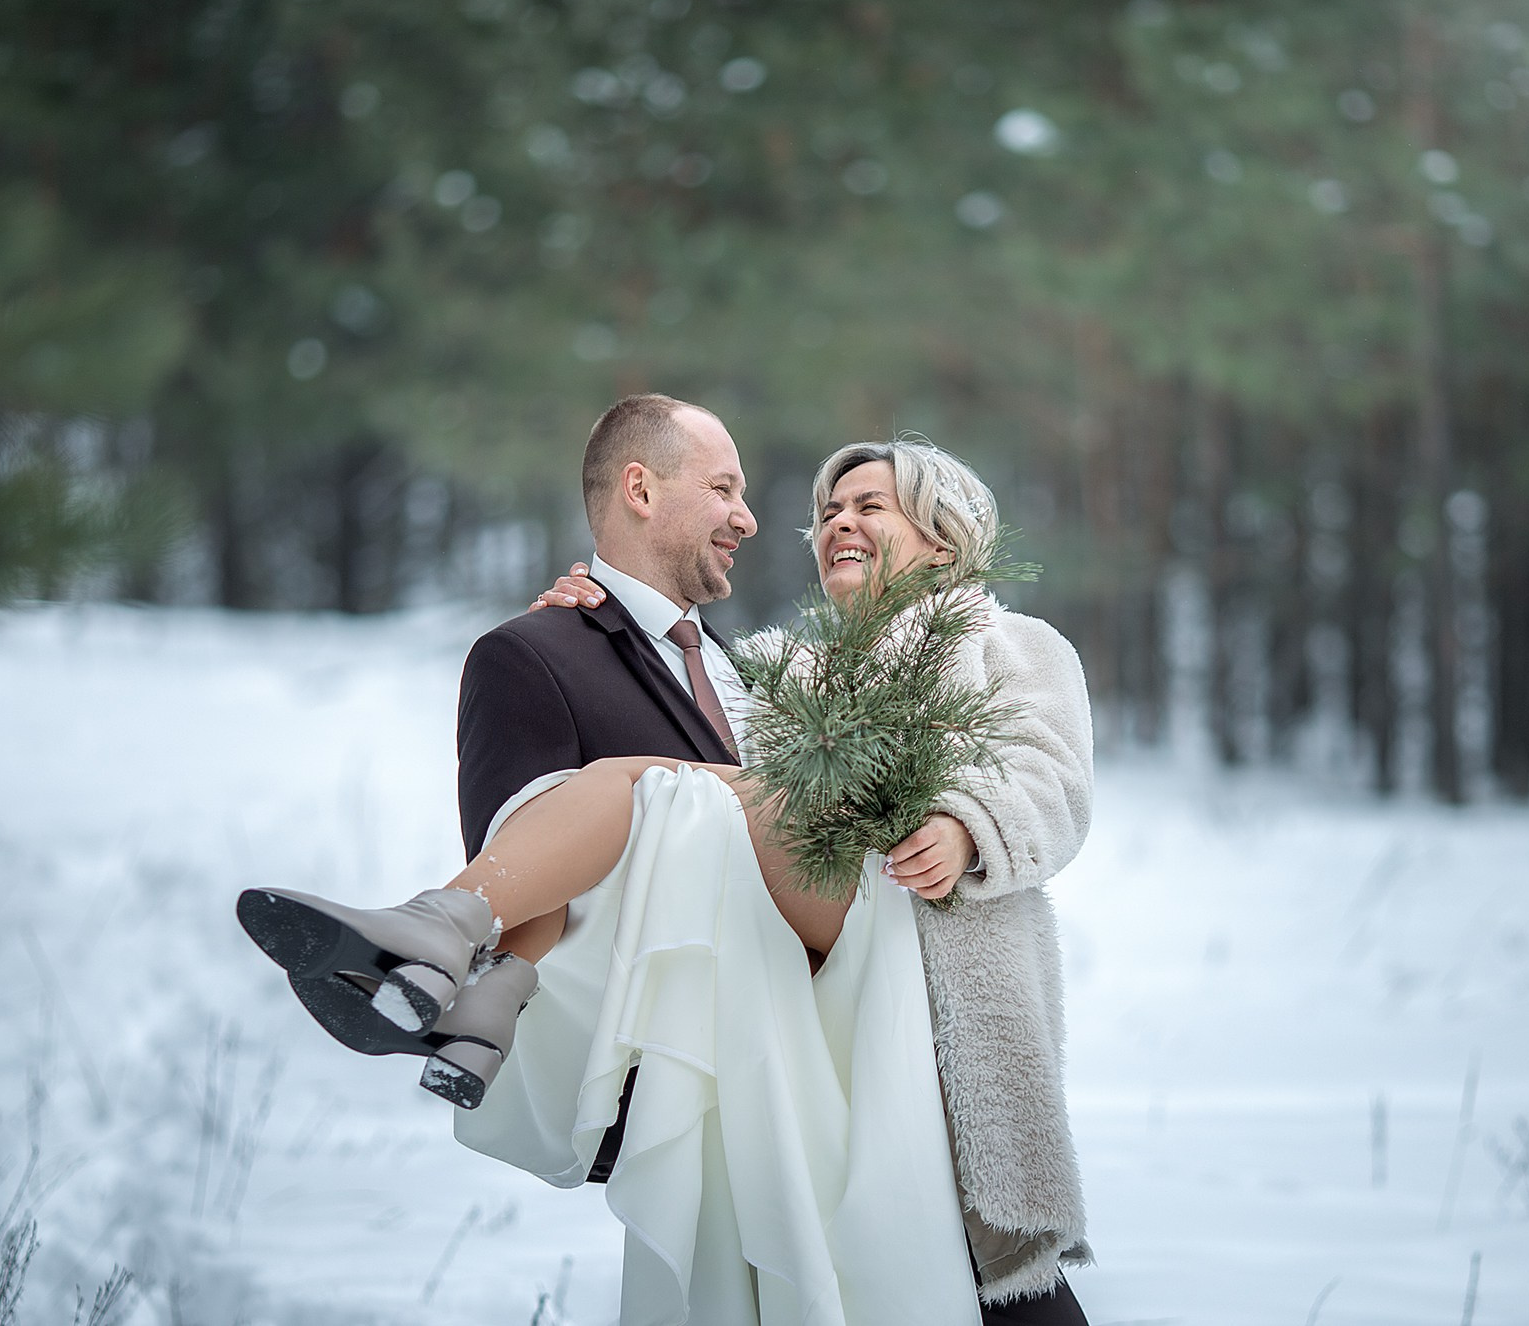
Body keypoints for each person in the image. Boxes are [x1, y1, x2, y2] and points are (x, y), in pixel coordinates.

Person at [238, 431, 1094, 1325]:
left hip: (927, 929)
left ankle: (457, 949)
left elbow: (1055, 778)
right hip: (812, 966)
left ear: (943, 540)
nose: (839, 522)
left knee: (638, 786)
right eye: (830, 511)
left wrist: (965, 829)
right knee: (650, 796)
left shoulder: (1011, 644)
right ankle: (471, 963)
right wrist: (583, 625)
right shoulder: (783, 671)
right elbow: (680, 734)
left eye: (870, 506)